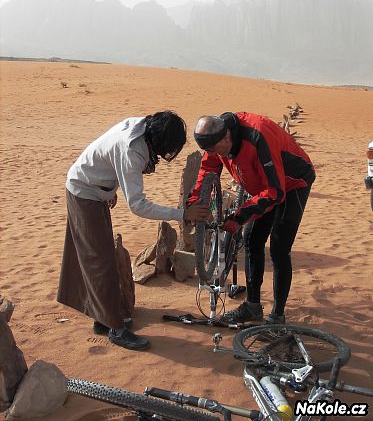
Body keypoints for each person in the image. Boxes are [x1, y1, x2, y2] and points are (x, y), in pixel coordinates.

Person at [57, 111, 210, 351]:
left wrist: (110, 189)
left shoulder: (139, 127)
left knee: (98, 256)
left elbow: (109, 159)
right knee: (101, 262)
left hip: (95, 191)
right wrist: (182, 214)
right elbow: (138, 206)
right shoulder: (132, 151)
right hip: (84, 192)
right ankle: (116, 329)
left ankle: (104, 317)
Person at [187, 111, 315, 325]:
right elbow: (209, 167)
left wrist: (239, 217)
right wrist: (195, 200)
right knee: (252, 240)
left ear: (227, 137)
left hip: (293, 184)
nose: (213, 154)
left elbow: (275, 191)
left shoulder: (257, 137)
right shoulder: (216, 138)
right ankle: (253, 307)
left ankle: (277, 317)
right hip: (263, 187)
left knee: (279, 248)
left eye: (215, 149)